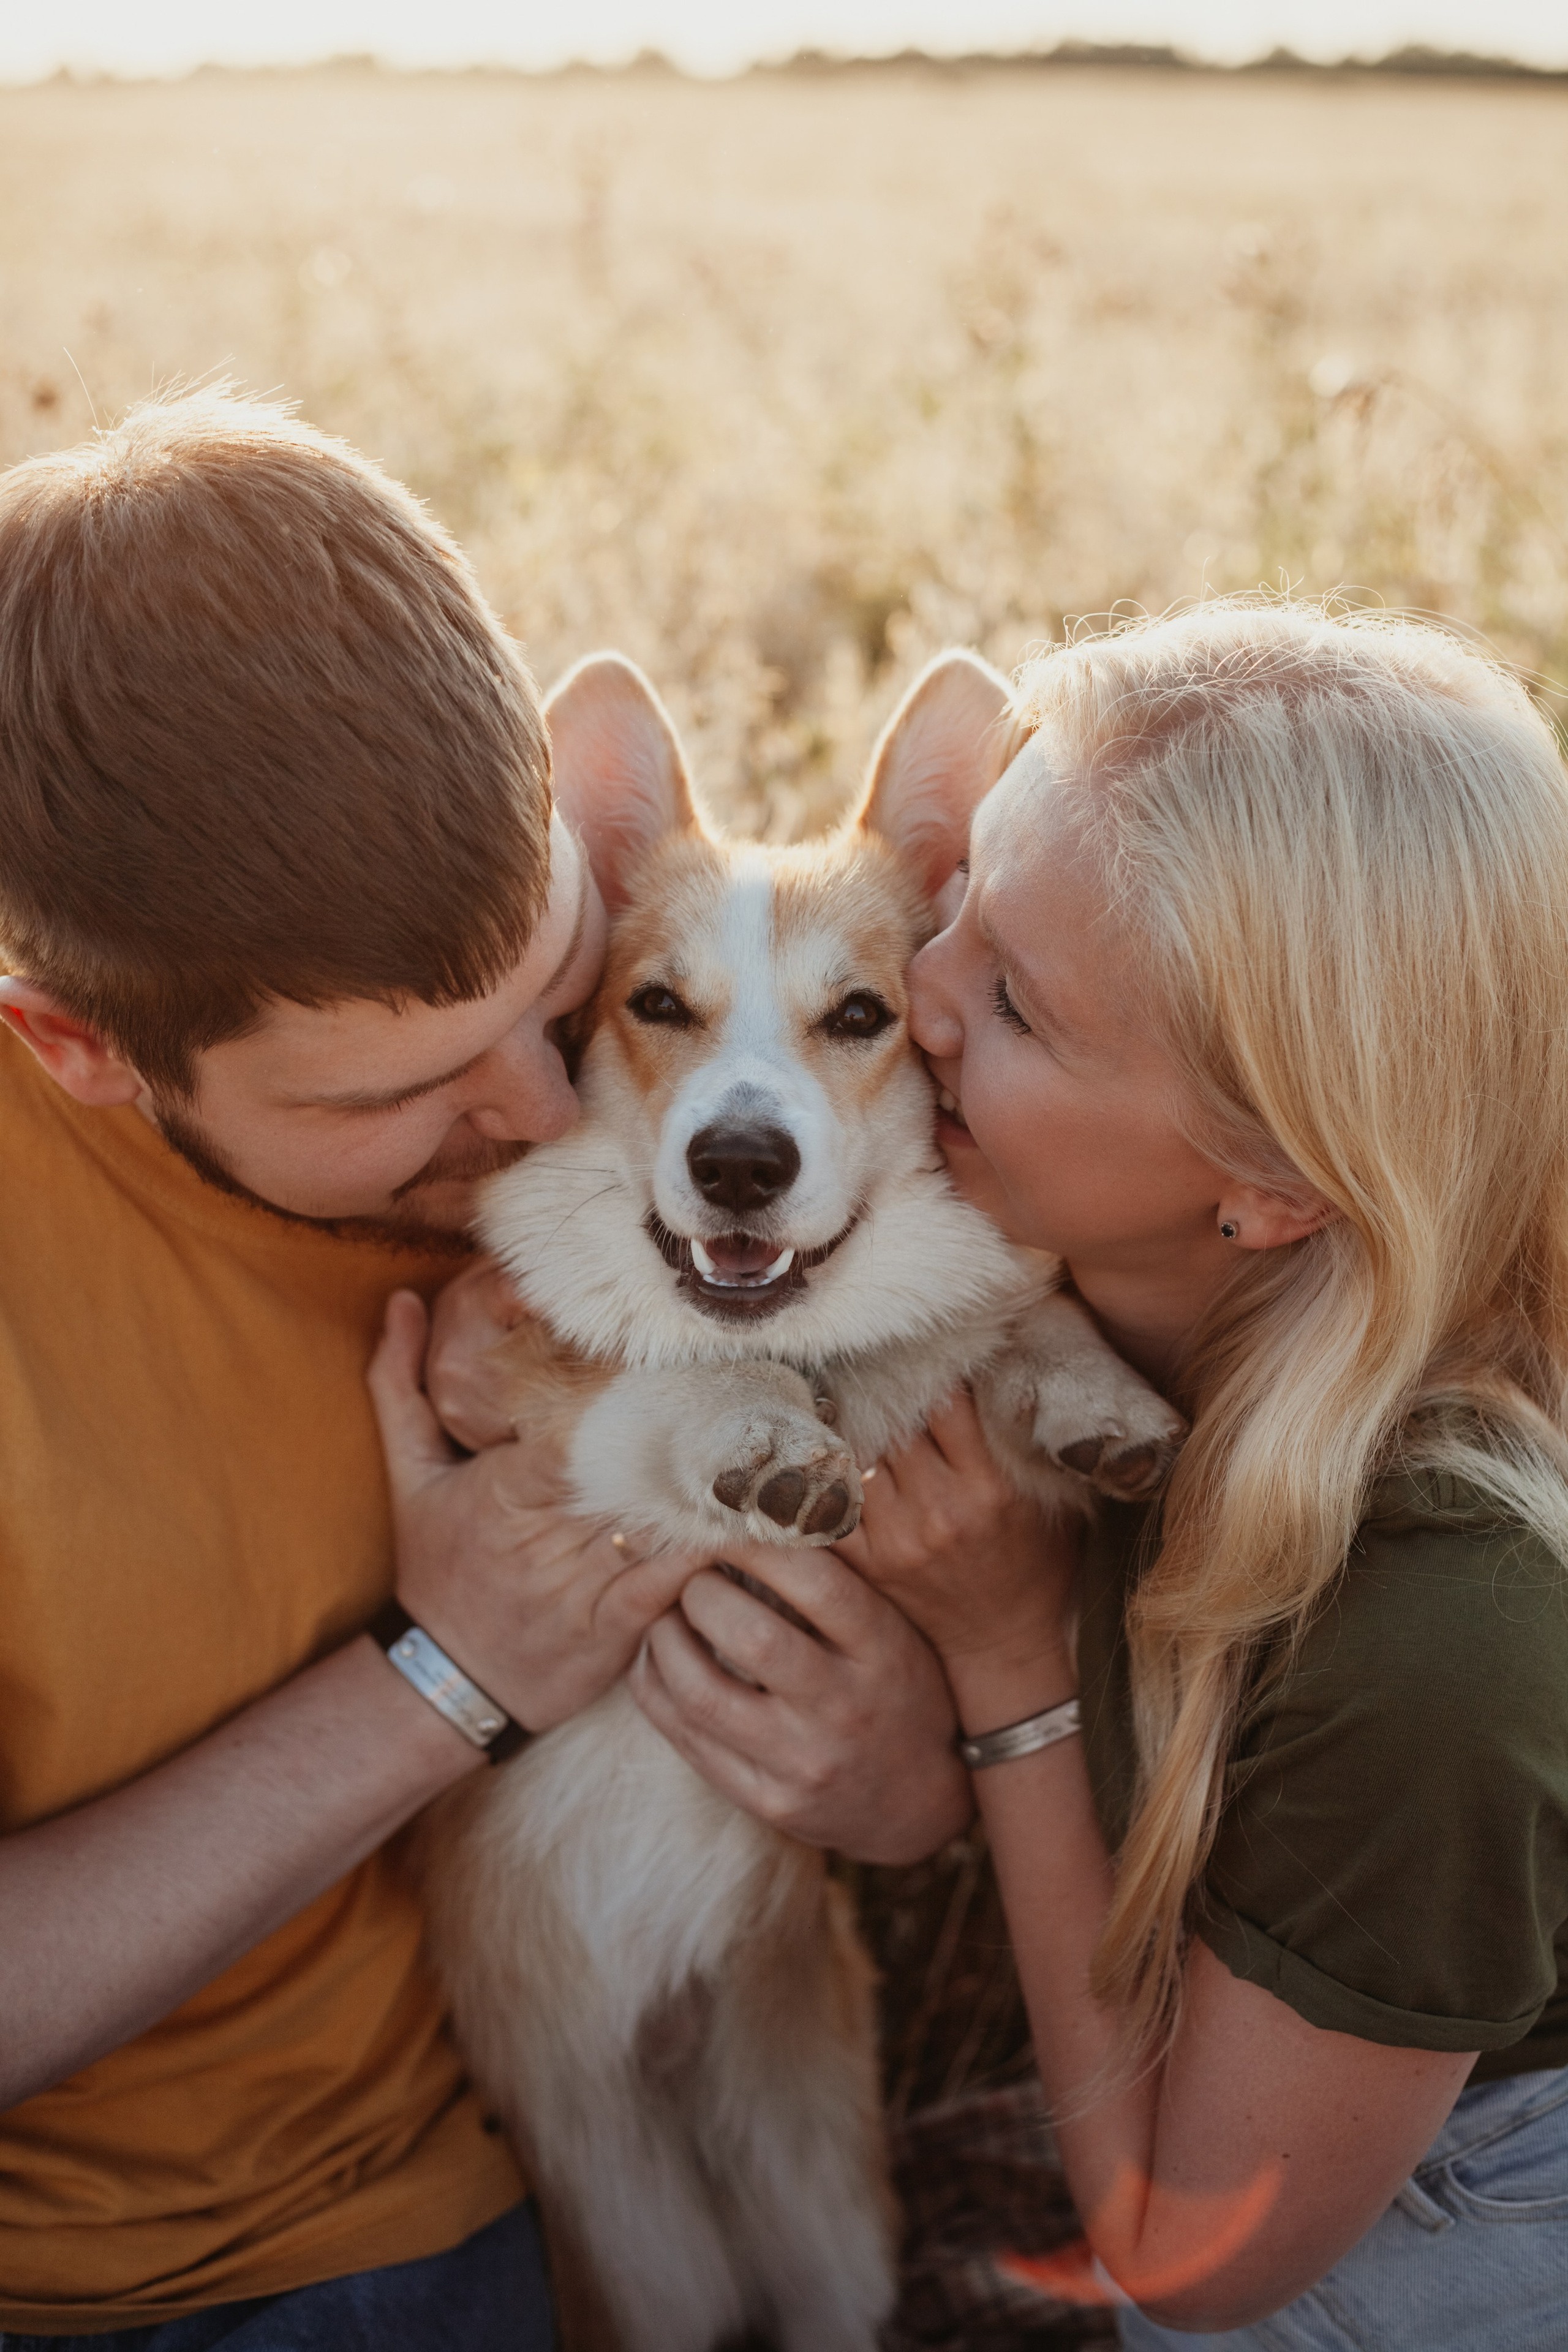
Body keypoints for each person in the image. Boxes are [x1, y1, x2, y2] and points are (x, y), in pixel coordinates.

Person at [0, 384, 961, 2346]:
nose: (551, 1116)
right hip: (130, 2282)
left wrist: (910, 1777)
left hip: (489, 2174)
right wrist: (443, 1682)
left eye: (549, 990)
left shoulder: (642, 1136)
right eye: (408, 1086)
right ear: (77, 1047)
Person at [793, 600, 1568, 2348]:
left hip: (1434, 2236)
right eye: (958, 906)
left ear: (1272, 1176)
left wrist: (1005, 1675)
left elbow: (1189, 2258)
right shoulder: (1116, 1301)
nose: (911, 995)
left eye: (1016, 1003)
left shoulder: (1445, 1624)